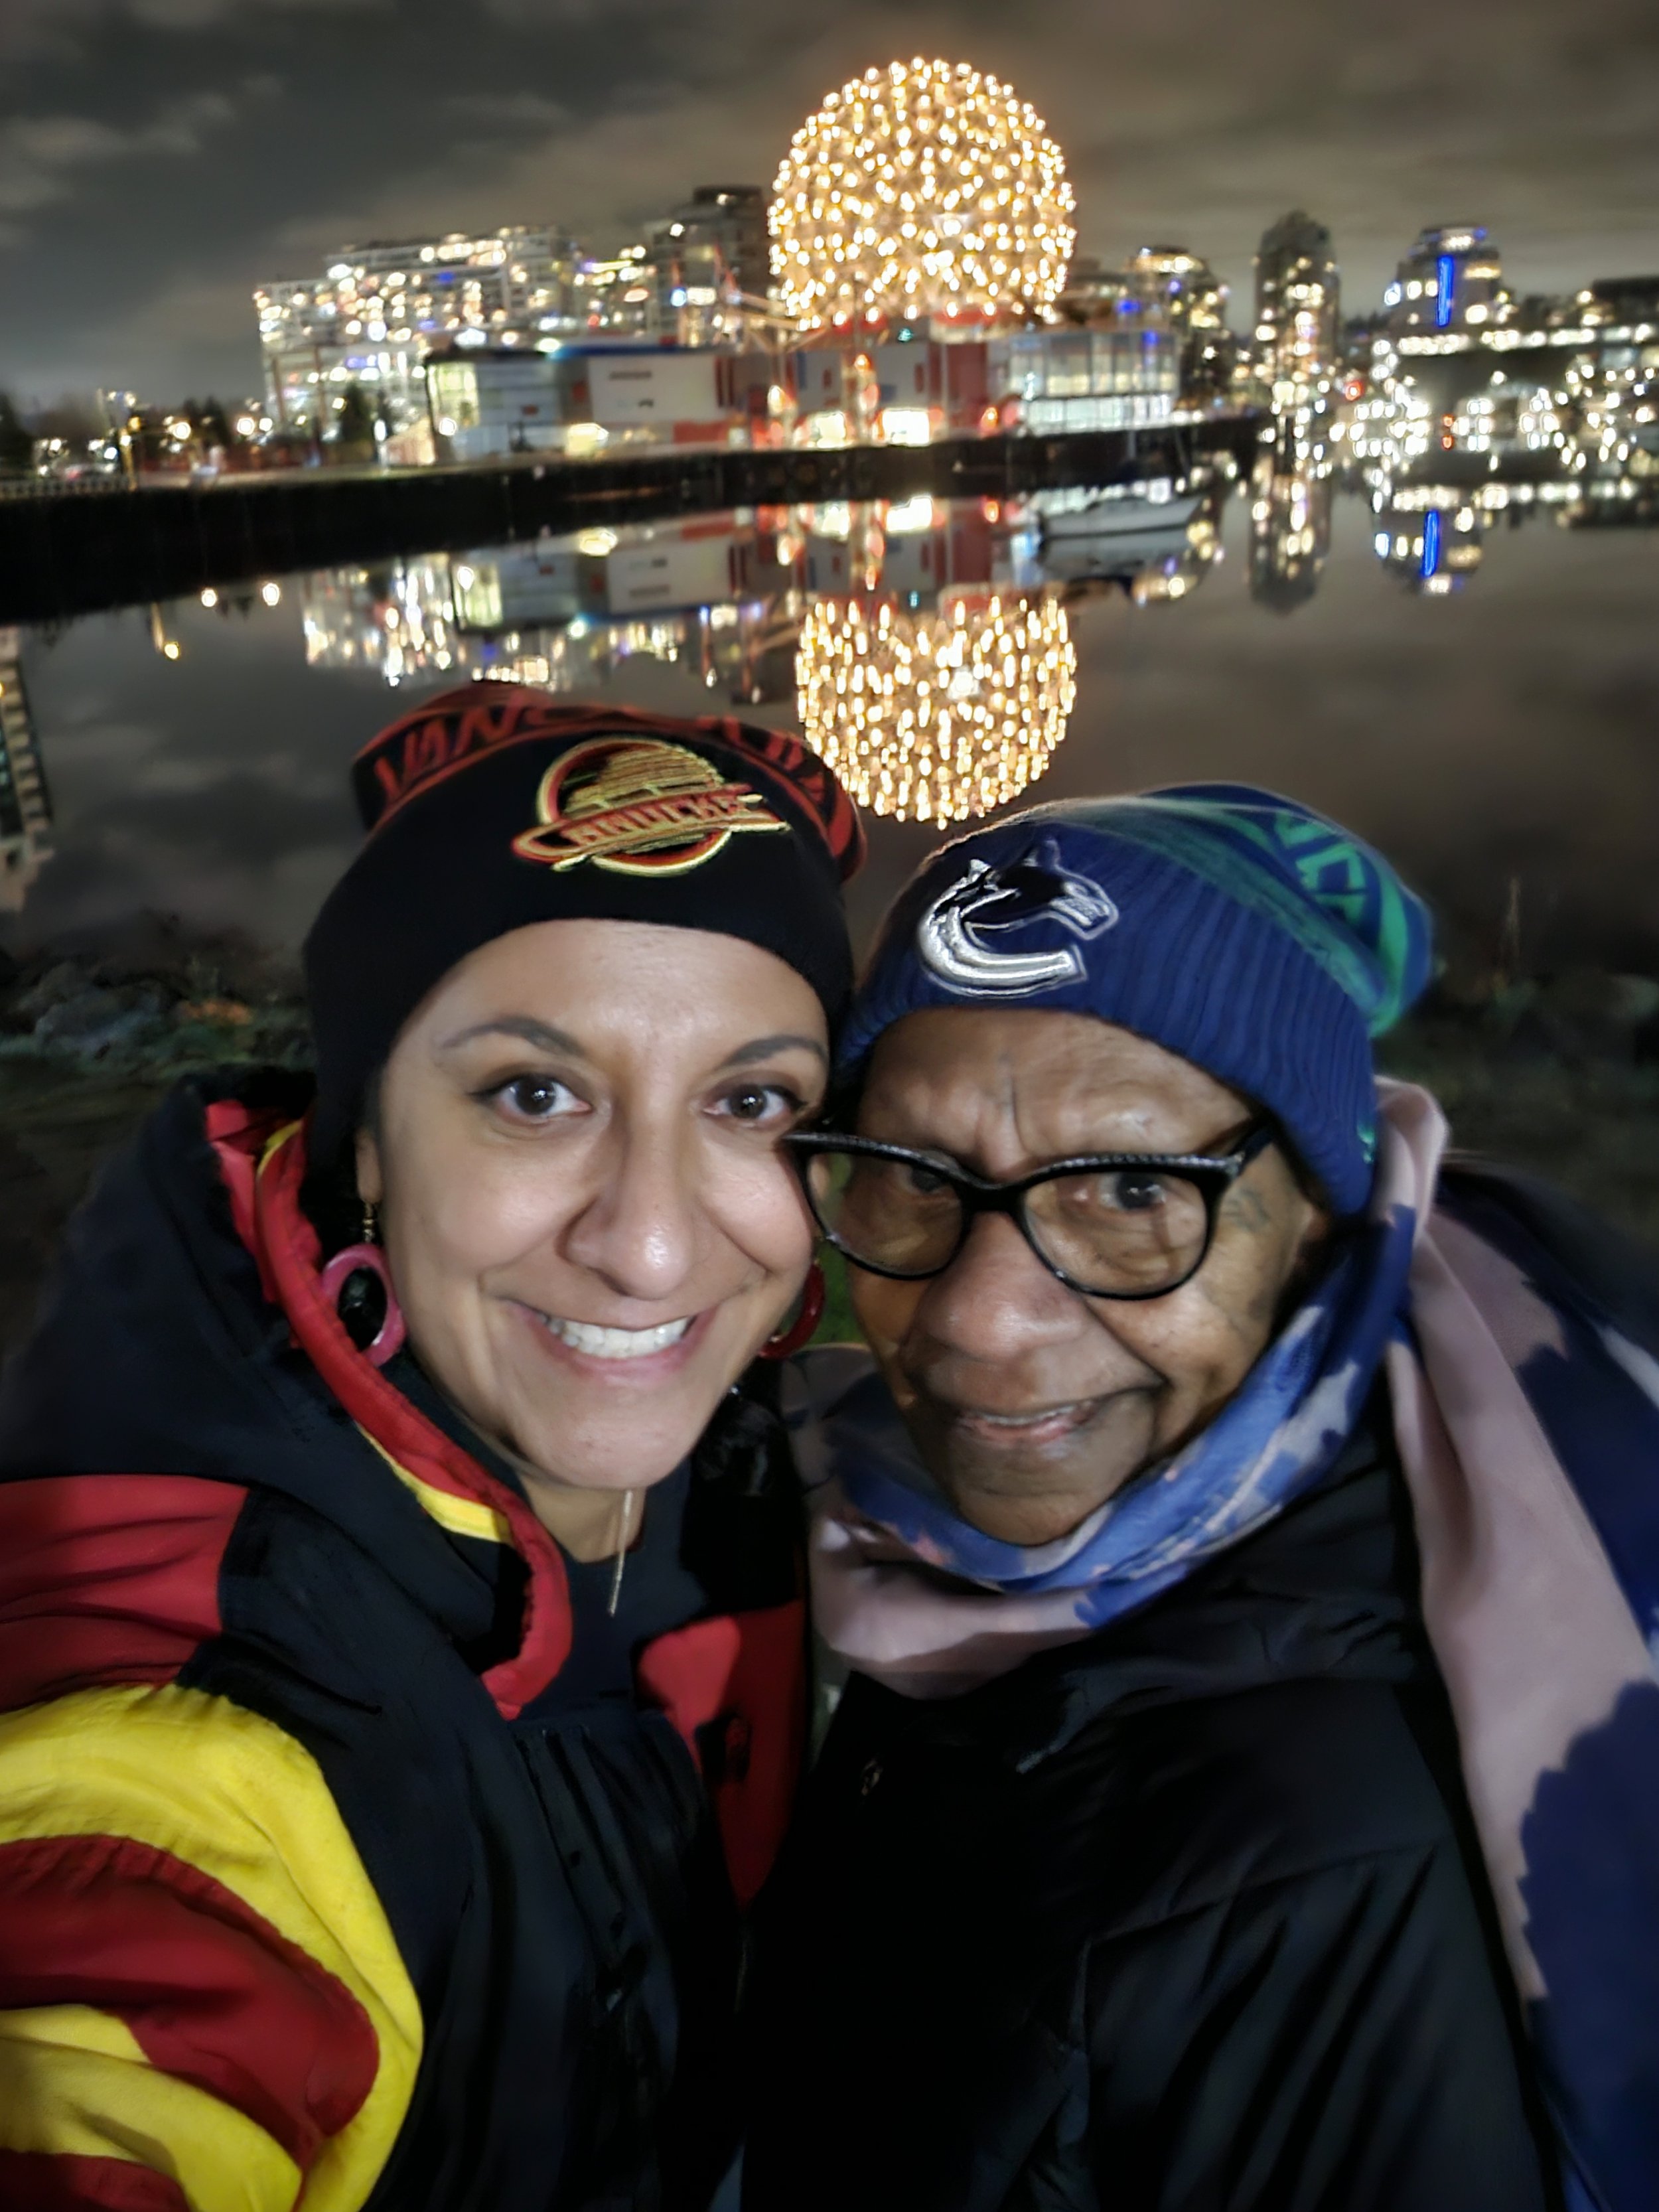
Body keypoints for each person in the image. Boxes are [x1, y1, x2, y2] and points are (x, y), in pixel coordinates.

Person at [0, 684, 863, 2212]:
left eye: (749, 1100)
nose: (654, 1245)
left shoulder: (739, 1469)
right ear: (369, 1142)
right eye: (534, 1094)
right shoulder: (184, 1736)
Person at [745, 787, 1659, 2212]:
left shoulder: (1321, 1866)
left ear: (1318, 1223)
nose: (980, 1320)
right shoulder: (942, 1570)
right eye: (913, 1178)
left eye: (1124, 1186)